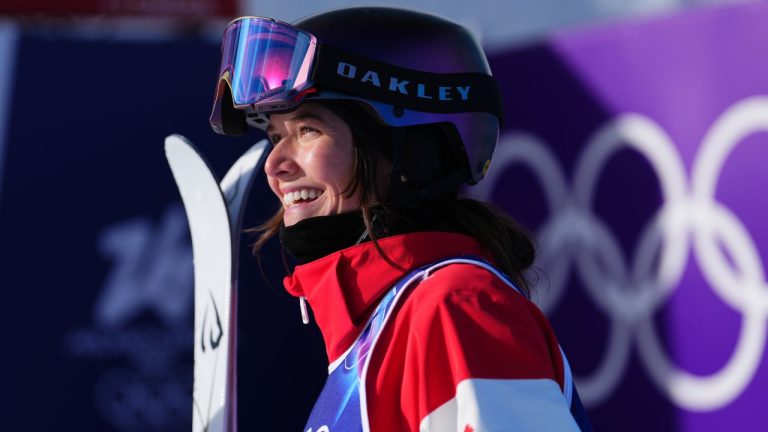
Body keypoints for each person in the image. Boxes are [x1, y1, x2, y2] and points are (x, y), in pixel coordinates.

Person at [209, 7, 592, 432]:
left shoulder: (455, 307)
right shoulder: (372, 338)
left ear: (399, 149)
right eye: (275, 136)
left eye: (308, 130)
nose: (275, 163)